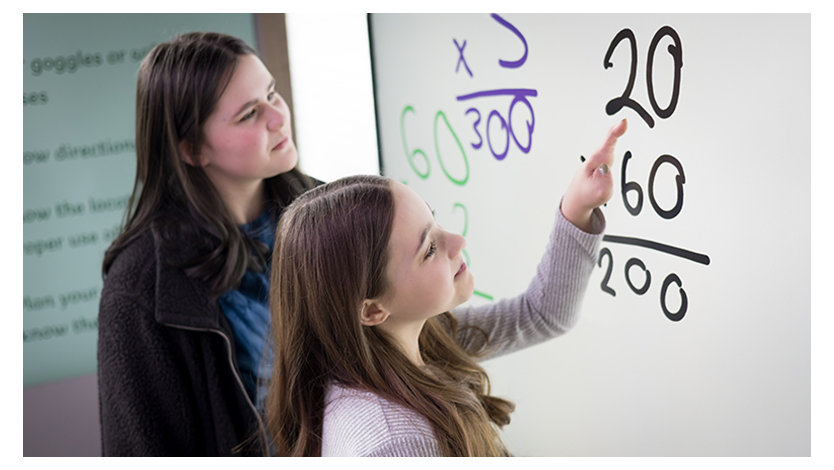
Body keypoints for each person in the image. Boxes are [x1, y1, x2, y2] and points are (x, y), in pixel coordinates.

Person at [265, 120, 628, 456]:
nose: (457, 240)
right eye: (430, 249)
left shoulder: (403, 347)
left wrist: (578, 207)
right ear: (373, 309)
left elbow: (542, 314)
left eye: (435, 220)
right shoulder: (396, 445)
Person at [97, 32, 318, 456]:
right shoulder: (139, 289)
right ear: (193, 149)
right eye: (250, 114)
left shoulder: (332, 214)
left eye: (272, 93)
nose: (277, 117)